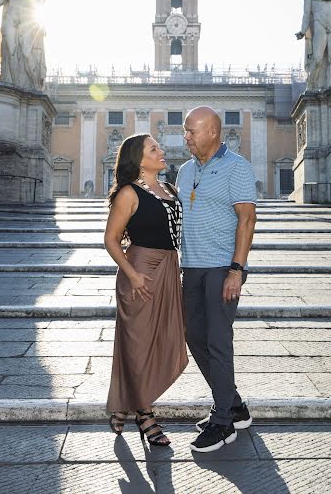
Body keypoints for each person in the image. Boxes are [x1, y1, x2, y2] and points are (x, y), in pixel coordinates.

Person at [176, 106, 257, 453]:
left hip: (222, 268)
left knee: (218, 343)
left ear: (212, 132)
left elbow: (247, 220)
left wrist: (236, 270)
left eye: (192, 131)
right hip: (191, 268)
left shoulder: (237, 166)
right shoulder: (184, 170)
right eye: (185, 130)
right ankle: (235, 405)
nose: (187, 137)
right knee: (194, 336)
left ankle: (224, 423)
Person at [104, 133, 188, 446]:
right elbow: (111, 239)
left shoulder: (170, 189)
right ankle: (144, 413)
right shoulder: (128, 193)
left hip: (168, 269)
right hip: (139, 271)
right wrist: (133, 275)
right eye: (154, 149)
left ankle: (124, 405)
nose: (162, 151)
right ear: (139, 159)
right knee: (137, 344)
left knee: (163, 340)